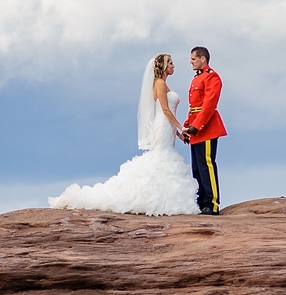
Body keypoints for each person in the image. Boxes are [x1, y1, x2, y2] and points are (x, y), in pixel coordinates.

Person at [48, 54, 200, 215]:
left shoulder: (163, 84)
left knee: (163, 158)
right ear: (163, 66)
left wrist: (178, 133)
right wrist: (182, 129)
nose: (173, 66)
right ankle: (155, 198)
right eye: (170, 63)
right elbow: (165, 110)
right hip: (163, 127)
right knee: (162, 158)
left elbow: (166, 114)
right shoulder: (160, 84)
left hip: (167, 127)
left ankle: (164, 197)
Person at [182, 46, 226, 215]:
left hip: (207, 128)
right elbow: (194, 107)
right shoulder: (197, 79)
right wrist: (188, 126)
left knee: (207, 165)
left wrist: (196, 126)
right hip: (196, 128)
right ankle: (201, 203)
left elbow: (209, 105)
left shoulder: (211, 77)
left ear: (203, 59)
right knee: (197, 168)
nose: (191, 62)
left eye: (193, 59)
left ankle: (212, 203)